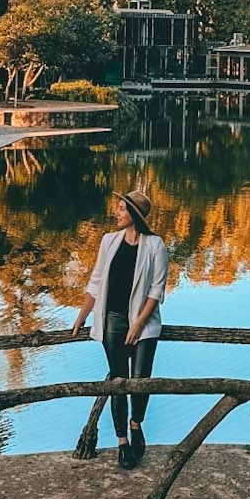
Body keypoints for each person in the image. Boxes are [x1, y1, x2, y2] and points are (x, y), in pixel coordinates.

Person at [72, 189, 170, 467]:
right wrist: (82, 316)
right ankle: (122, 443)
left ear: (134, 215)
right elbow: (96, 281)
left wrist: (138, 324)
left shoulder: (155, 246)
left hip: (144, 325)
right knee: (118, 382)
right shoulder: (108, 241)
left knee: (140, 382)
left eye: (122, 209)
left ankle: (136, 424)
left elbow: (156, 291)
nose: (116, 213)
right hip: (113, 320)